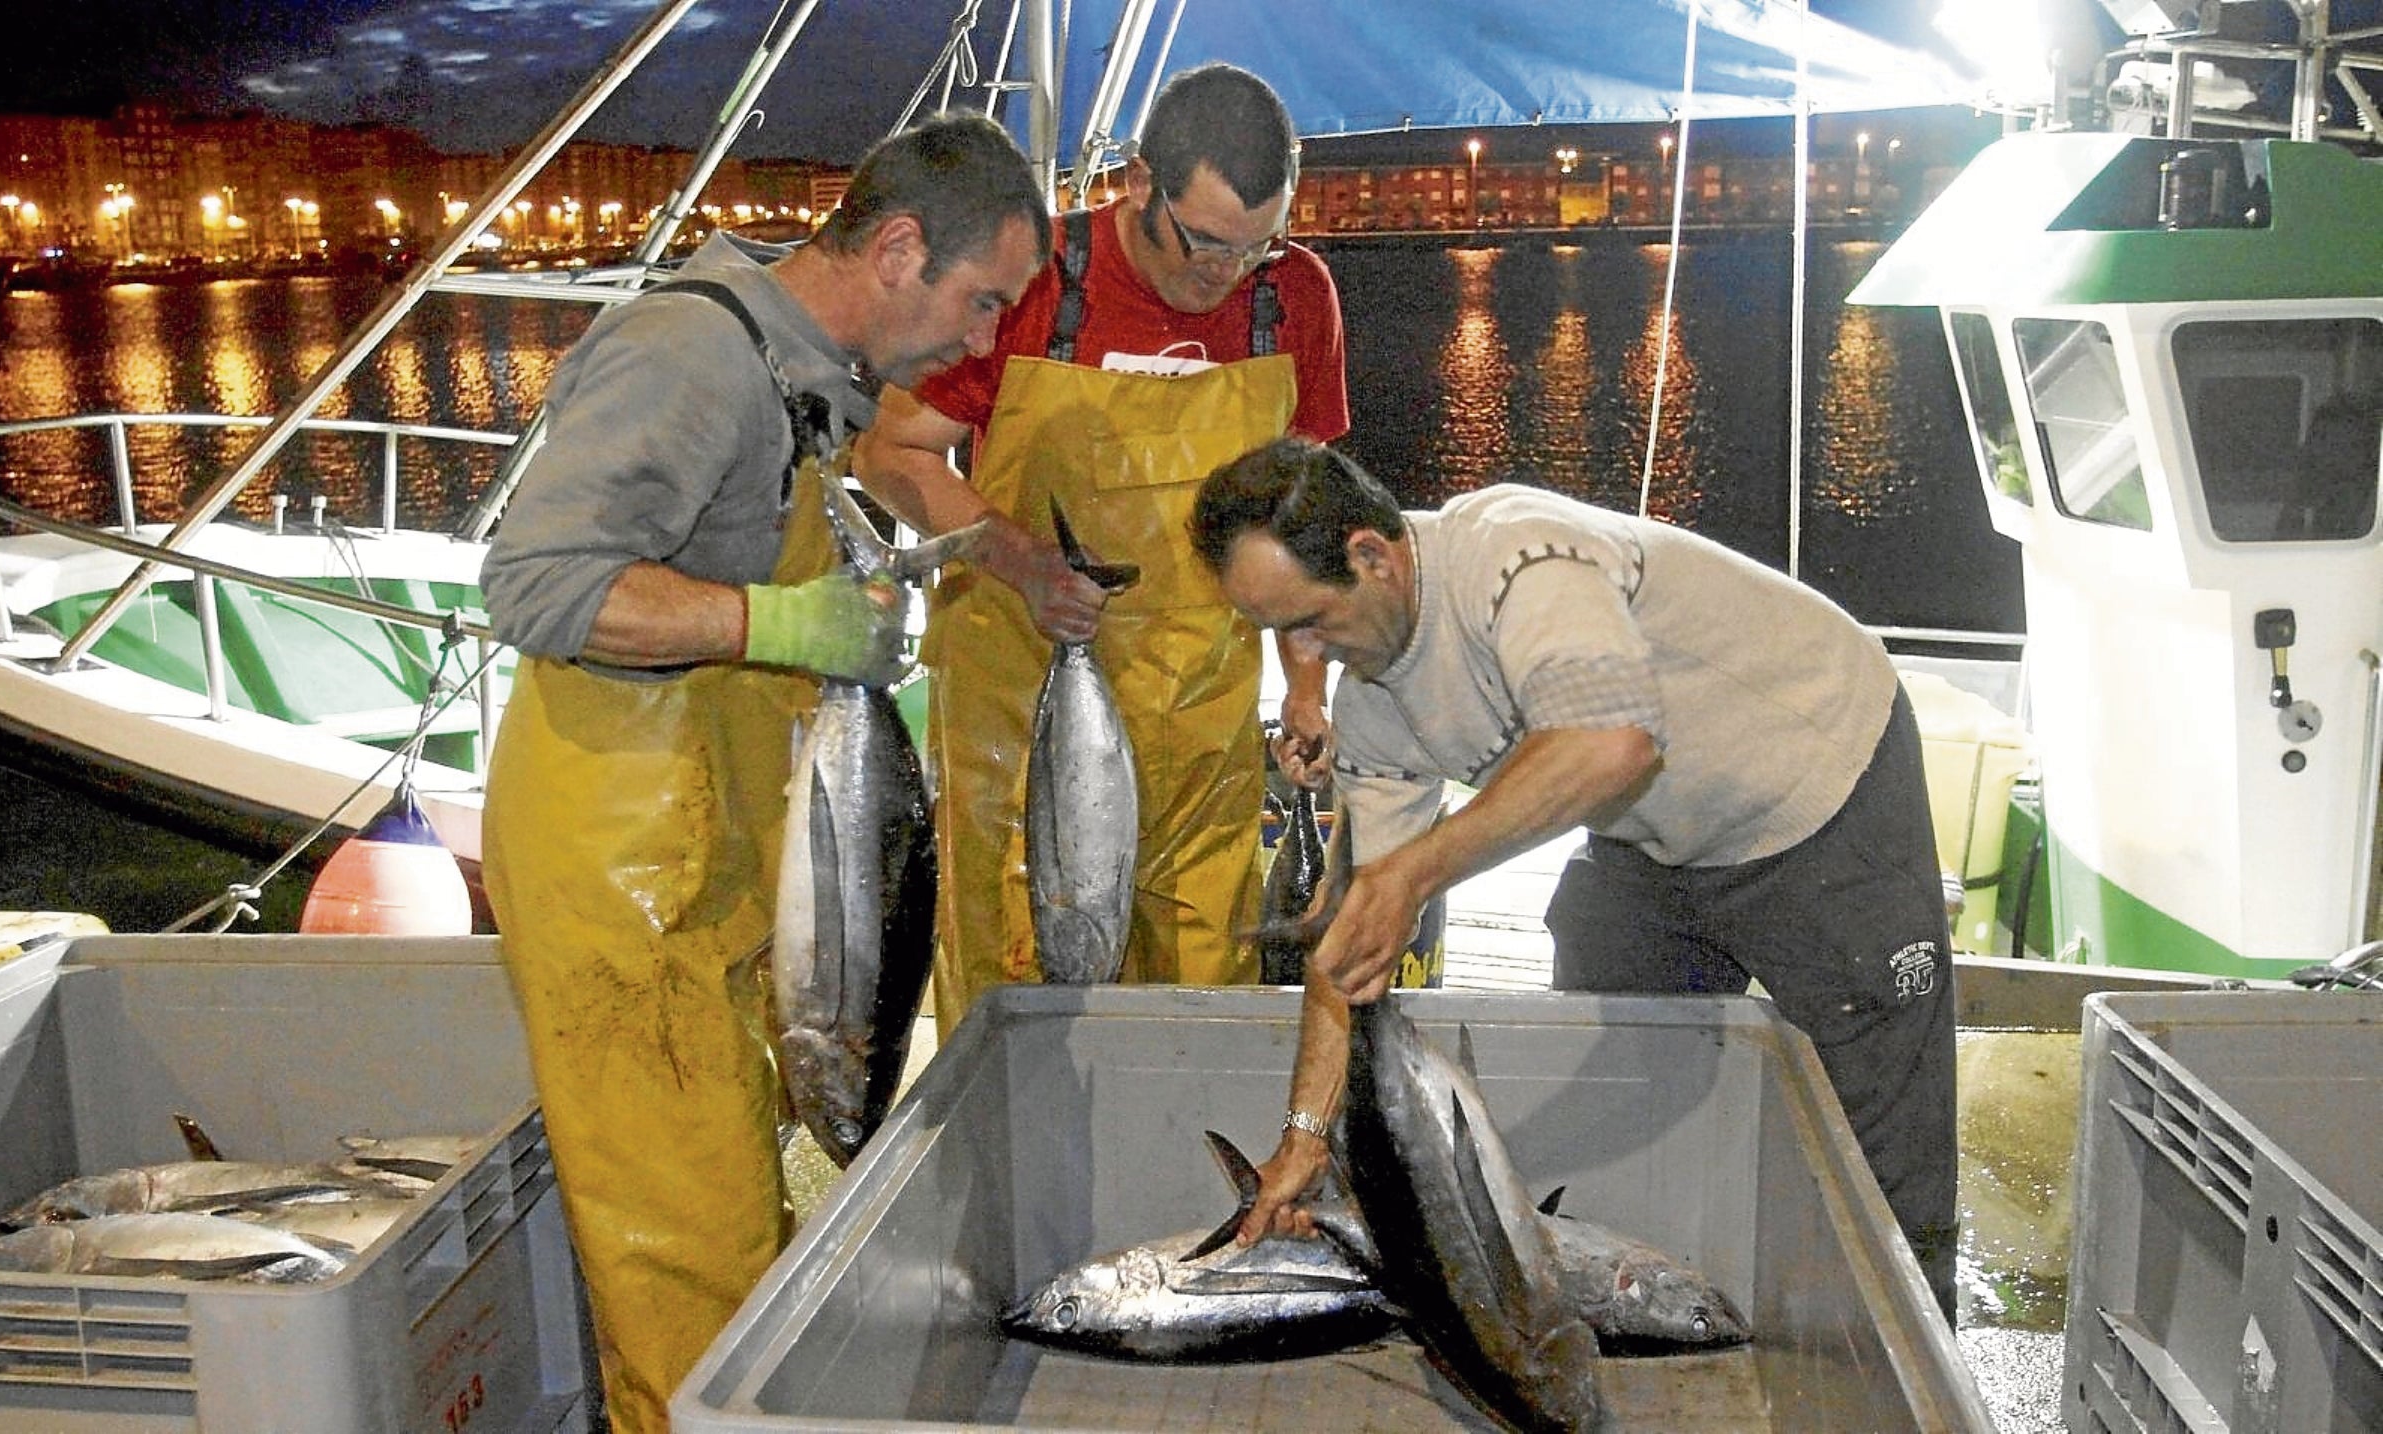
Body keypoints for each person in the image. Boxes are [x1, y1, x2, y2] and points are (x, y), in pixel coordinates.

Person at [478, 114, 1047, 1432]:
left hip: (716, 854)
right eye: (981, 301)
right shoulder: (692, 351)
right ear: (899, 248)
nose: (982, 337)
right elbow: (537, 582)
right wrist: (777, 627)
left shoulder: (812, 367)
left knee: (767, 1233)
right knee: (696, 1280)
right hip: (618, 871)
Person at [1187, 437, 1961, 1319]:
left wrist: (1414, 870)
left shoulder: (1516, 556)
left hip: (1819, 787)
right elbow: (1352, 943)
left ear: (1374, 556)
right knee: (1623, 1082)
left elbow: (1610, 744)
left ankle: (1905, 1358)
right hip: (1650, 839)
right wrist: (1304, 1137)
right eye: (1278, 635)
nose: (1306, 655)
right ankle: (1664, 1302)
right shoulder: (1375, 709)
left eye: (1310, 620)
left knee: (1881, 1142)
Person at [854, 63, 1349, 1036]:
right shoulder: (1029, 280)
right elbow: (893, 454)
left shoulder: (1294, 295)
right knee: (1023, 983)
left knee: (1204, 989)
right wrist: (1025, 565)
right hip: (1018, 707)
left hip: (1198, 716)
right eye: (1206, 242)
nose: (1229, 274)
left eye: (1261, 245)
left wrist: (1304, 689)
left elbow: (1302, 512)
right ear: (1135, 181)